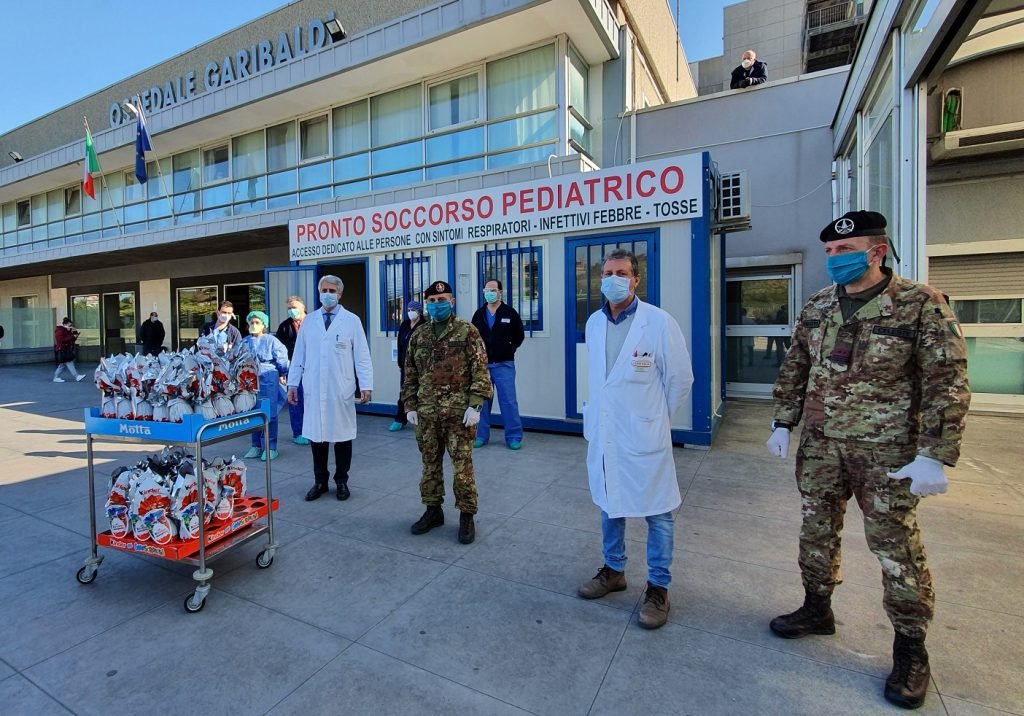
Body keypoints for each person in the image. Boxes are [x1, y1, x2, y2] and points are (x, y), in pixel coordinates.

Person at [765, 210, 970, 710]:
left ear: (877, 251)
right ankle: (817, 608)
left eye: (845, 250)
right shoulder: (817, 307)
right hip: (822, 445)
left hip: (886, 454)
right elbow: (796, 365)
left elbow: (947, 380)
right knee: (815, 530)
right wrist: (782, 422)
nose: (835, 259)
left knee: (895, 548)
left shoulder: (920, 304)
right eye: (830, 252)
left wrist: (935, 456)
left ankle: (910, 649)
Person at [577, 249, 693, 630]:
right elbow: (599, 378)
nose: (612, 279)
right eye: (607, 273)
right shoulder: (594, 322)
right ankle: (614, 570)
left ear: (636, 279)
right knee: (610, 503)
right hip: (607, 431)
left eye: (621, 272)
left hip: (643, 433)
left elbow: (680, 380)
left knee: (658, 512)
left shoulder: (658, 322)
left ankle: (658, 588)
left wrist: (654, 418)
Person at [401, 280, 492, 544]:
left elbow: (480, 371)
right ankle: (433, 510)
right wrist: (410, 405)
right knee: (429, 464)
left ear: (451, 302)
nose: (437, 305)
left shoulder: (467, 331)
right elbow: (410, 373)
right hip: (427, 413)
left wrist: (475, 405)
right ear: (426, 304)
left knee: (462, 466)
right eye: (432, 301)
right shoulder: (419, 335)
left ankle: (466, 514)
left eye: (442, 301)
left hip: (458, 414)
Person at [287, 275, 373, 502]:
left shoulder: (352, 321)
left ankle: (341, 481)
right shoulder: (310, 321)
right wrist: (293, 383)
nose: (327, 294)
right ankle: (320, 481)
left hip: (340, 389)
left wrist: (366, 384)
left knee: (343, 437)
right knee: (318, 438)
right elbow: (299, 355)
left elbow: (362, 356)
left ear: (340, 294)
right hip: (314, 388)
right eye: (323, 290)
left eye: (331, 290)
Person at [470, 279, 526, 449]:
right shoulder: (479, 314)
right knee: (482, 402)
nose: (490, 293)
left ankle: (514, 436)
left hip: (504, 365)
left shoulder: (510, 313)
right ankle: (480, 436)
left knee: (508, 401)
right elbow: (473, 337)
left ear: (500, 292)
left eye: (493, 290)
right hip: (483, 366)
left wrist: (508, 349)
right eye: (487, 290)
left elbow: (519, 336)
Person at [242, 311, 290, 461]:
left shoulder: (271, 340)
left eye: (257, 322)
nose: (254, 325)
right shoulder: (244, 342)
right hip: (249, 380)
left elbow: (282, 359)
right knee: (252, 412)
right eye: (251, 322)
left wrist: (283, 373)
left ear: (264, 325)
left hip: (268, 377)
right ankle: (256, 445)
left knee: (269, 413)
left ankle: (270, 447)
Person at [276, 296, 309, 445]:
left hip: (313, 367)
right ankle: (299, 432)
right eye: (289, 308)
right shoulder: (285, 326)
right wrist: (281, 371)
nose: (292, 310)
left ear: (303, 307)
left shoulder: (314, 322)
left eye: (294, 307)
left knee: (314, 401)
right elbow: (279, 350)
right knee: (295, 400)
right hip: (294, 368)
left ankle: (314, 430)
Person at [388, 299, 424, 432]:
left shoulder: (424, 325)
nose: (410, 312)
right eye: (409, 310)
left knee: (422, 392)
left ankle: (421, 419)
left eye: (413, 310)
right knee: (405, 391)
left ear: (419, 311)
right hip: (405, 365)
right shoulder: (404, 325)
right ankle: (400, 419)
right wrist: (400, 362)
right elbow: (400, 345)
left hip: (421, 365)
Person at [53, 317, 86, 382]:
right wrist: (73, 336)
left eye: (71, 325)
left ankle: (56, 377)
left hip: (66, 349)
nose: (70, 327)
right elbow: (61, 340)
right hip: (63, 350)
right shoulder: (60, 330)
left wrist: (75, 332)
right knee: (69, 362)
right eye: (69, 325)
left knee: (62, 365)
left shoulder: (67, 331)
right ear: (65, 324)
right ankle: (76, 376)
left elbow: (72, 339)